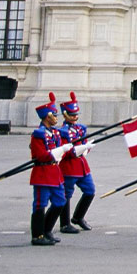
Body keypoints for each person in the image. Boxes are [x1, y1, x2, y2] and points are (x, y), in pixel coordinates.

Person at [29, 92, 71, 246]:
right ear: (47, 116)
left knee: (60, 201)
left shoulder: (55, 133)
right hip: (43, 173)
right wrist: (59, 151)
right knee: (40, 204)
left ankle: (47, 229)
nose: (56, 117)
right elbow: (41, 156)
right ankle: (38, 235)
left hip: (55, 173)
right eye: (54, 115)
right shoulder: (38, 135)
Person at [57, 92, 97, 233]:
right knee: (66, 195)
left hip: (82, 166)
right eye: (72, 114)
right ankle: (65, 223)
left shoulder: (80, 128)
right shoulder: (62, 131)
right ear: (65, 114)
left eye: (76, 114)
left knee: (90, 191)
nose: (75, 117)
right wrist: (77, 150)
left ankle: (78, 217)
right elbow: (64, 151)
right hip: (69, 167)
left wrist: (86, 149)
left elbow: (84, 143)